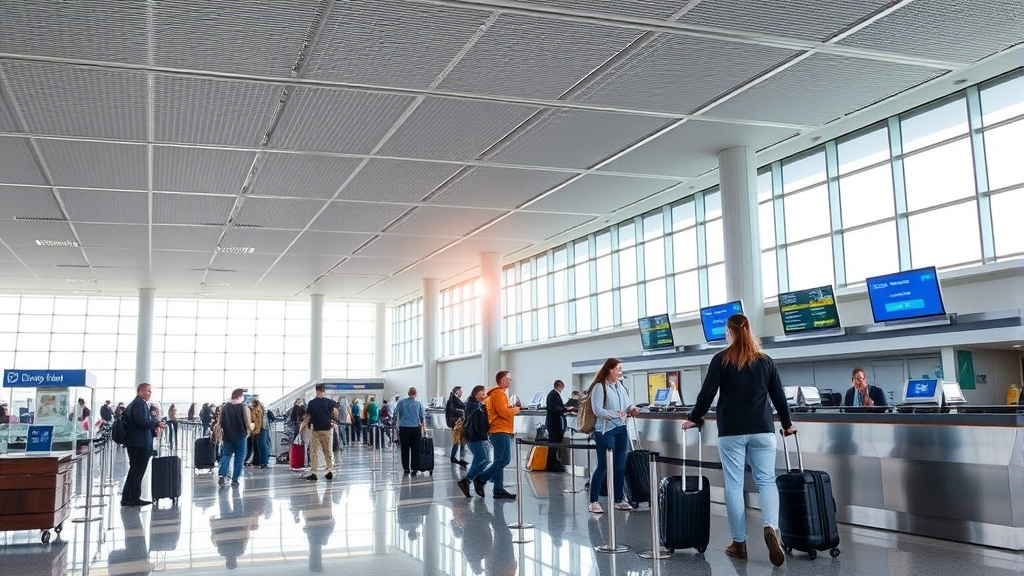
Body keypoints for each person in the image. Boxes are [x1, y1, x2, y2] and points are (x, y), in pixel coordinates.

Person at [683, 313, 795, 567]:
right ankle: (770, 528)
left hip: (732, 431)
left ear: (731, 331)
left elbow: (707, 394)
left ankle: (739, 543)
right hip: (763, 429)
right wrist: (787, 425)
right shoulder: (766, 361)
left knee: (734, 486)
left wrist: (694, 418)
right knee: (766, 481)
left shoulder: (721, 359)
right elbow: (779, 397)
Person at [587, 359, 639, 514]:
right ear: (609, 370)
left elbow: (626, 406)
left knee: (620, 466)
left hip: (621, 428)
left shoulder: (620, 386)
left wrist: (632, 409)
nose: (619, 372)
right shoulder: (599, 387)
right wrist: (613, 414)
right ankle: (593, 501)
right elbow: (597, 410)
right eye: (617, 369)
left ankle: (619, 499)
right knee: (603, 465)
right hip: (606, 430)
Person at [122, 383, 165, 507]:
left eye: (151, 391)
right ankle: (132, 498)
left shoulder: (139, 403)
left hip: (138, 442)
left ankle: (130, 496)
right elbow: (141, 421)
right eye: (147, 391)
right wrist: (156, 423)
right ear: (140, 391)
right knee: (137, 470)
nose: (150, 393)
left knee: (136, 470)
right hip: (139, 443)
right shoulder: (139, 404)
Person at [481, 371, 520, 500]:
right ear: (502, 380)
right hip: (499, 430)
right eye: (508, 379)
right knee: (505, 459)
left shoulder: (499, 394)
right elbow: (503, 413)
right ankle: (481, 478)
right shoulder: (498, 394)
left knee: (499, 461)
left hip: (500, 430)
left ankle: (498, 489)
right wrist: (517, 409)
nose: (510, 381)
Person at [455, 385, 491, 498]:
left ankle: (473, 481)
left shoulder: (476, 404)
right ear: (475, 394)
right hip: (474, 436)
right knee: (484, 459)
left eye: (484, 393)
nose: (483, 395)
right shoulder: (473, 405)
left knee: (479, 460)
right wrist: (485, 406)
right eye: (481, 393)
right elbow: (480, 420)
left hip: (478, 436)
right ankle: (469, 480)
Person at [300, 384, 339, 482]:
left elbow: (307, 418)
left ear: (316, 391)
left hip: (316, 430)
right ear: (324, 391)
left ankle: (314, 473)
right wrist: (333, 419)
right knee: (328, 450)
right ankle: (329, 471)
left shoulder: (312, 403)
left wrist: (301, 428)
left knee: (314, 452)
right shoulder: (330, 402)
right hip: (327, 430)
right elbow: (336, 412)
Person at [216, 388, 253, 487]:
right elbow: (248, 425)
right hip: (240, 436)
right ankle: (235, 479)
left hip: (227, 436)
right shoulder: (244, 407)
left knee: (226, 455)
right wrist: (252, 427)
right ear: (240, 396)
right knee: (239, 457)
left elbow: (218, 423)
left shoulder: (224, 407)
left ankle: (222, 474)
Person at [394, 387, 426, 475]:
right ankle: (414, 468)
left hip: (404, 428)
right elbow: (422, 417)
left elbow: (395, 412)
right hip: (416, 429)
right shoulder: (419, 404)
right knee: (416, 449)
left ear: (408, 393)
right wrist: (424, 429)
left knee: (404, 449)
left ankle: (406, 468)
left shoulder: (401, 402)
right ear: (416, 394)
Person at [545, 379, 574, 472]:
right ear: (560, 386)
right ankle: (551, 464)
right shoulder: (553, 395)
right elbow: (555, 408)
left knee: (555, 444)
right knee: (554, 443)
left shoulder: (553, 394)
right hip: (554, 424)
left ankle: (554, 462)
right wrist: (566, 409)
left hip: (555, 423)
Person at [445, 386, 468, 467]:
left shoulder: (455, 400)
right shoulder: (452, 400)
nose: (462, 393)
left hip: (461, 423)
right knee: (457, 441)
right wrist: (461, 410)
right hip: (457, 423)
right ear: (457, 392)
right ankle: (453, 457)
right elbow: (451, 411)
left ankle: (461, 458)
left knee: (462, 441)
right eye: (461, 391)